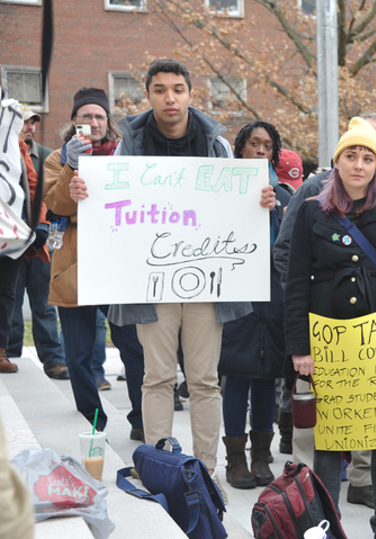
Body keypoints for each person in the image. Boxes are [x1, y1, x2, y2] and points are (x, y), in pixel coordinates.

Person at [78, 61, 267, 489]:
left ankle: (206, 470)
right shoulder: (130, 145)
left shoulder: (217, 145)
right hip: (151, 282)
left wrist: (261, 200)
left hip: (206, 282)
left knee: (203, 379)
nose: (170, 98)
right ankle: (159, 467)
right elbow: (110, 201)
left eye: (178, 89)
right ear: (147, 95)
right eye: (160, 89)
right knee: (157, 377)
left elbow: (236, 206)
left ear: (189, 94)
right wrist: (84, 190)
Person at [285, 117, 376, 539]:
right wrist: (299, 348)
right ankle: (329, 528)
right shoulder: (313, 210)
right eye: (351, 155)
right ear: (337, 161)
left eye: (368, 155)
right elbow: (294, 282)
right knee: (329, 443)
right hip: (329, 343)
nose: (360, 164)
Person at [42, 87, 147, 440]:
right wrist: (72, 165)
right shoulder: (57, 159)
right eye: (85, 116)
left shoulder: (126, 155)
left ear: (109, 121)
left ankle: (141, 420)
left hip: (118, 267)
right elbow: (58, 207)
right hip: (76, 265)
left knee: (133, 347)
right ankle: (94, 417)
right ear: (73, 122)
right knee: (79, 352)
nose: (93, 122)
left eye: (99, 116)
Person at [219, 120, 290, 489]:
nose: (261, 151)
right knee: (239, 373)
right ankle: (235, 460)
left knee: (267, 375)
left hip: (273, 296)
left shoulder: (287, 197)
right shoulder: (222, 192)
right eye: (253, 144)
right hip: (237, 292)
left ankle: (262, 455)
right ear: (240, 149)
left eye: (267, 146)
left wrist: (275, 210)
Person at [7, 106, 67, 379]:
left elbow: (43, 192)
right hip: (11, 240)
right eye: (25, 122)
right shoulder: (6, 152)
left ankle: (54, 361)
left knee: (44, 304)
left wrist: (43, 226)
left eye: (33, 122)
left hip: (41, 238)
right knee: (11, 300)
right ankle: (10, 353)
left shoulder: (44, 155)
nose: (30, 127)